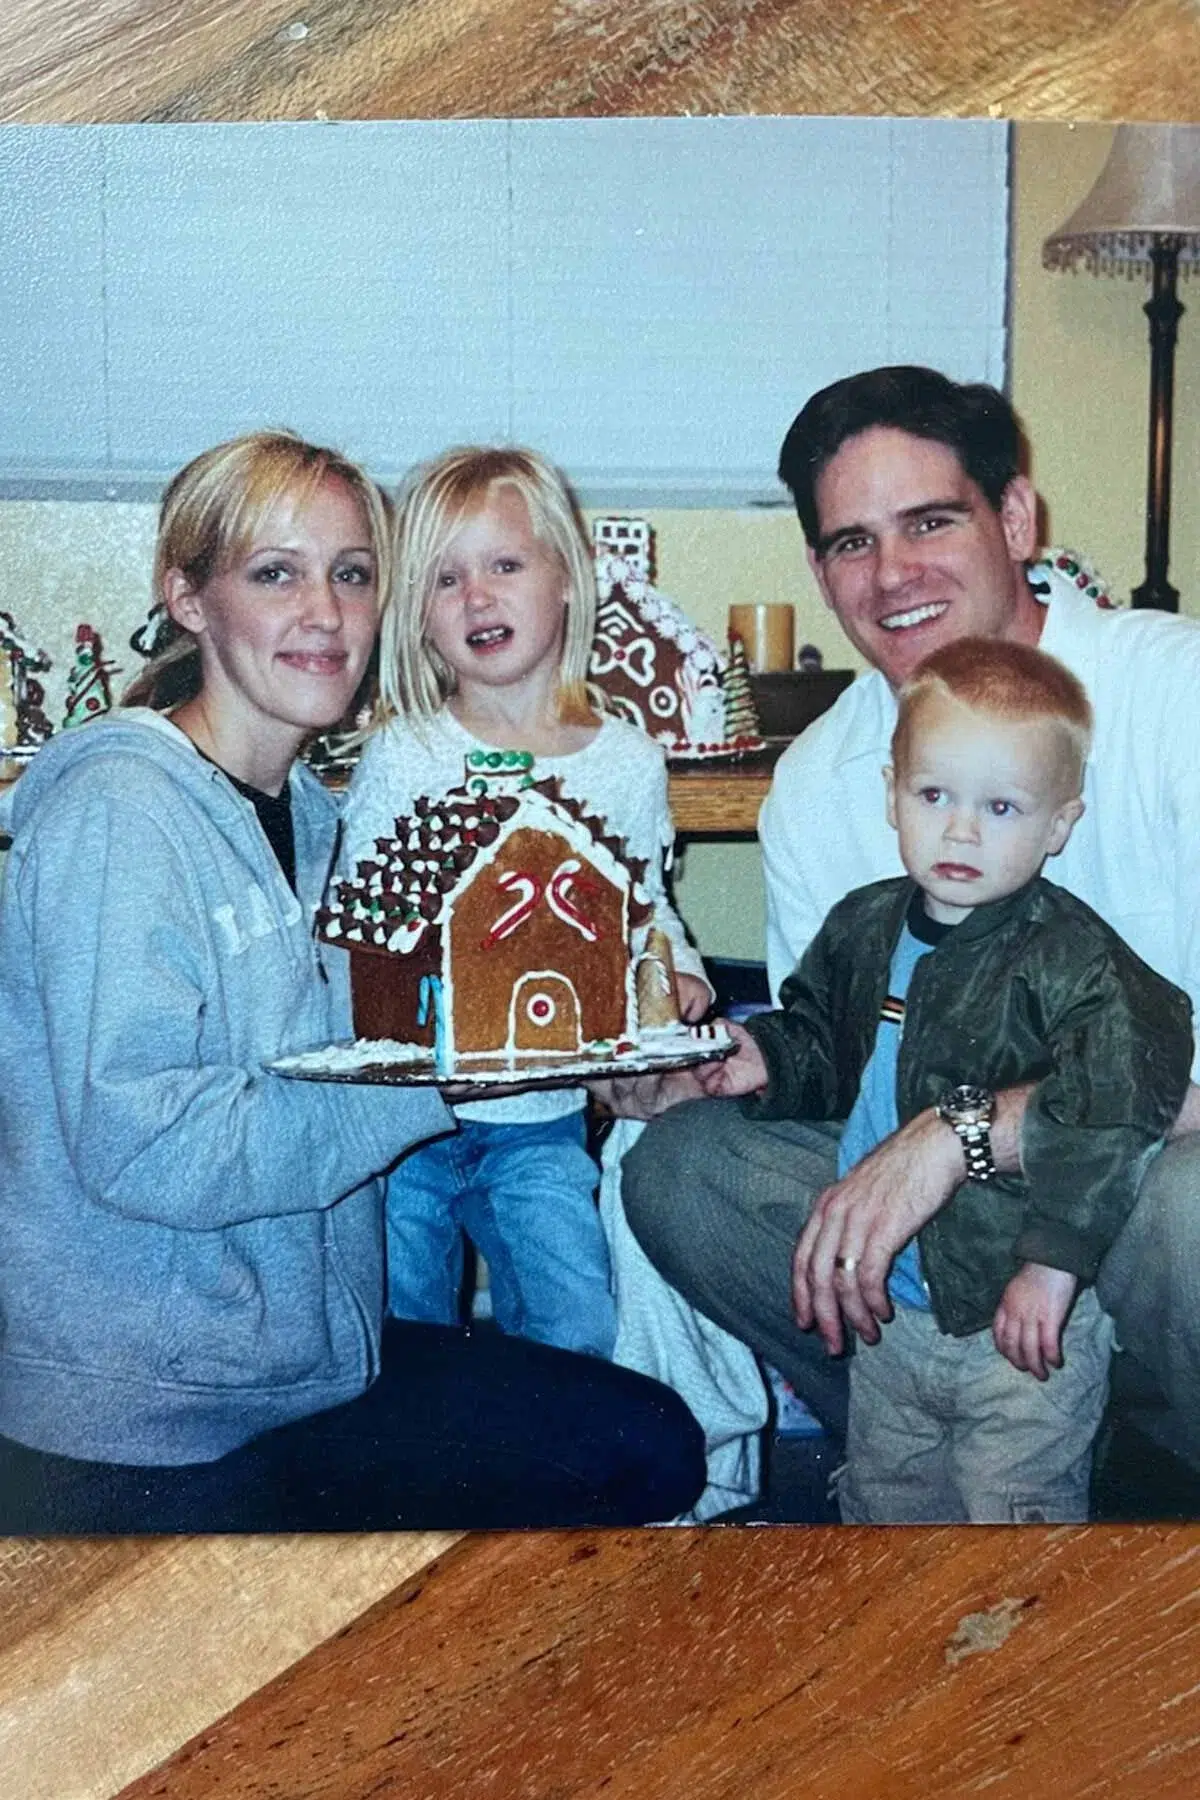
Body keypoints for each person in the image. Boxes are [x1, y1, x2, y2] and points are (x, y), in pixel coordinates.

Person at [0, 429, 705, 1533]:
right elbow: (149, 1141)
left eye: (353, 572)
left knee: (647, 1441)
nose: (325, 613)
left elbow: (420, 1022)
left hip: (314, 1366)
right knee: (611, 1464)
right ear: (187, 598)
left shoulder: (330, 826)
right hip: (151, 1414)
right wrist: (453, 1083)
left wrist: (618, 1061)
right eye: (275, 573)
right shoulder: (119, 814)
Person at [620, 364, 1200, 1481]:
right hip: (957, 1264)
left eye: (930, 522)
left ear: (1016, 518)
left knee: (1189, 1205)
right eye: (851, 543)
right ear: (820, 571)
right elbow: (841, 1067)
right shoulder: (822, 784)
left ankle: (1147, 1478)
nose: (893, 576)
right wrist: (729, 1066)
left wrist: (965, 1132)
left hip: (1150, 1187)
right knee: (683, 1169)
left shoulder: (1174, 698)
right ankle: (952, 1449)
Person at [692, 638, 1190, 1521]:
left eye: (1001, 806)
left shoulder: (1073, 960)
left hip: (1020, 1312)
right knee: (889, 1508)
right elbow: (823, 1040)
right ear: (892, 796)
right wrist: (763, 1058)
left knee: (1008, 1520)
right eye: (934, 796)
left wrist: (1051, 1266)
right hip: (890, 1304)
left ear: (1059, 824)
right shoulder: (864, 927)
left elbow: (1110, 1113)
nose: (961, 830)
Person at [342, 445, 711, 1358]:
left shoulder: (625, 762)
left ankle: (552, 1496)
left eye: (505, 565)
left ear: (566, 581)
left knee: (573, 1325)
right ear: (416, 619)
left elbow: (642, 905)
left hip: (542, 1118)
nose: (478, 597)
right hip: (408, 1127)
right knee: (402, 1332)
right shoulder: (405, 758)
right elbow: (363, 927)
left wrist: (682, 975)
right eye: (444, 579)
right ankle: (413, 1497)